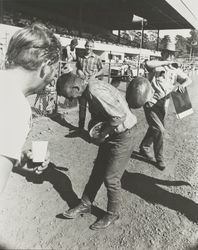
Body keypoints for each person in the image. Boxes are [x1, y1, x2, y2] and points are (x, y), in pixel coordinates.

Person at [56, 73, 153, 230]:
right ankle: (85, 204)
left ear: (76, 88)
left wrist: (102, 134)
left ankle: (112, 213)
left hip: (124, 135)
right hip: (115, 132)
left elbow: (118, 116)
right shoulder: (90, 88)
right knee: (97, 171)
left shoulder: (94, 91)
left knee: (111, 178)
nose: (67, 99)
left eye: (67, 95)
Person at [0, 23, 61, 193]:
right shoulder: (16, 106)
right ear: (45, 68)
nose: (54, 77)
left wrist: (16, 159)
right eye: (55, 71)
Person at [139, 42, 192, 170]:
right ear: (162, 53)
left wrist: (182, 85)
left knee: (155, 128)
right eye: (167, 53)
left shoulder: (175, 70)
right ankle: (159, 159)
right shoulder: (156, 66)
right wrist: (166, 63)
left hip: (164, 105)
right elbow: (147, 64)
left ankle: (144, 147)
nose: (169, 55)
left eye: (172, 54)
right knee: (160, 130)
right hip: (151, 102)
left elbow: (188, 79)